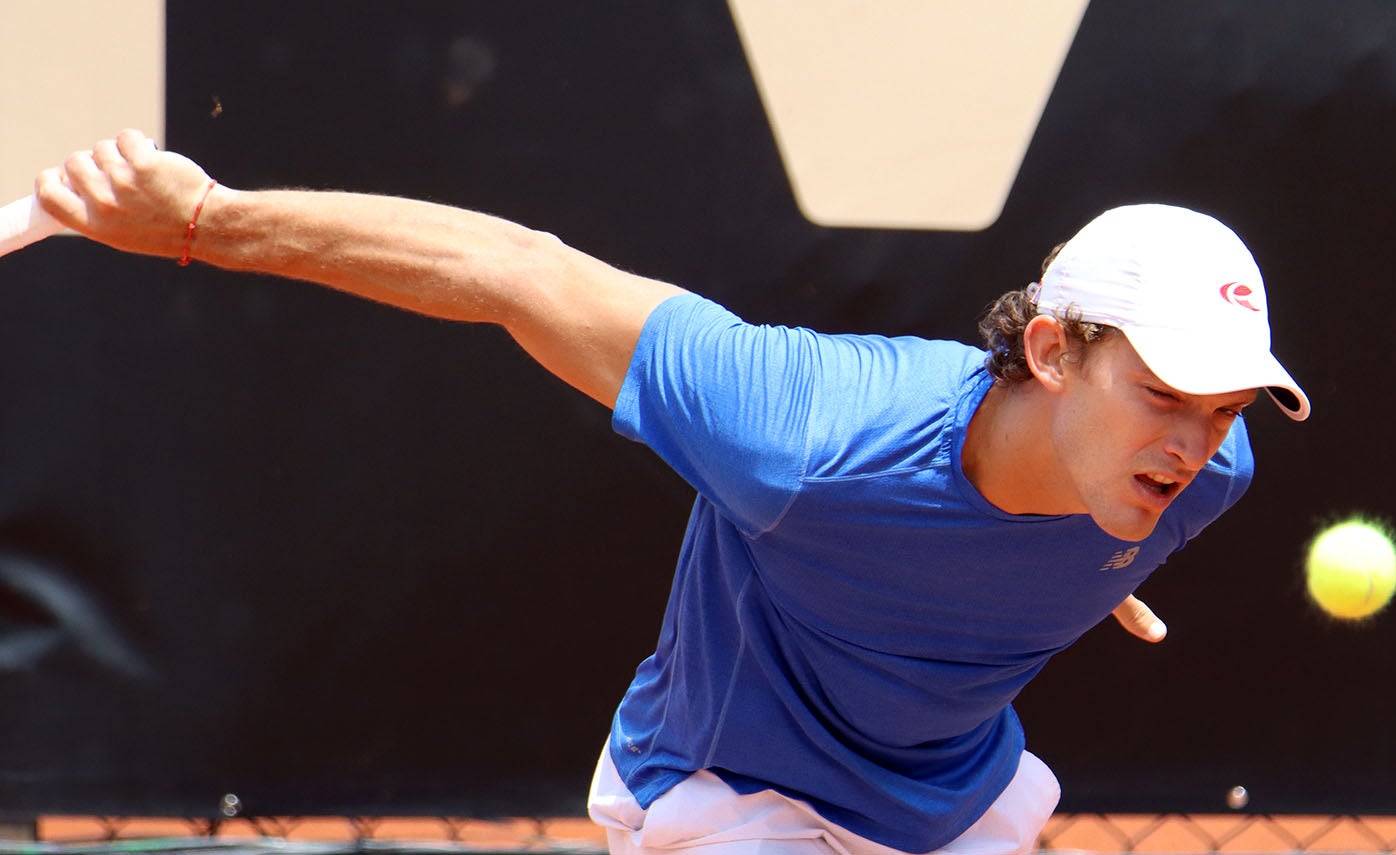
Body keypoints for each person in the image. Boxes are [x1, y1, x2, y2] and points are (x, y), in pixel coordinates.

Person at [36, 130, 1309, 855]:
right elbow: (507, 269)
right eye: (1163, 395)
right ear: (1049, 352)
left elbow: (1078, 514)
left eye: (1223, 407)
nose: (1195, 440)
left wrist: (1097, 564)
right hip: (732, 786)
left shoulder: (1199, 474)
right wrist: (205, 218)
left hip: (944, 795)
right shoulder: (802, 432)